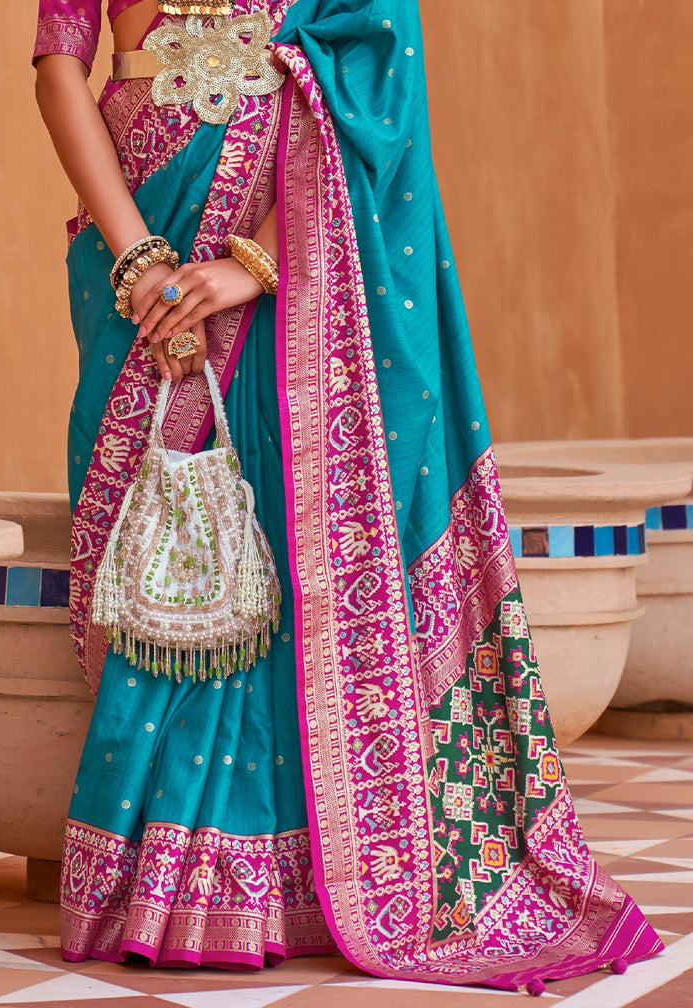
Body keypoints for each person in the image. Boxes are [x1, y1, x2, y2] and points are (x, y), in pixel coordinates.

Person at [34, 0, 663, 992]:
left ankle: (291, 879)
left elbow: (376, 82)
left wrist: (255, 263)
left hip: (286, 247)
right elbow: (58, 62)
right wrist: (138, 256)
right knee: (160, 531)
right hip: (141, 224)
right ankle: (154, 880)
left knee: (289, 537)